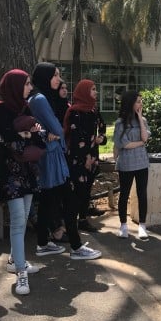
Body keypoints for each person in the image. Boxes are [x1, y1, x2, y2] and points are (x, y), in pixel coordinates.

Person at [30, 63, 101, 260]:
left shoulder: (40, 97)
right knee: (69, 200)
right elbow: (58, 129)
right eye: (55, 75)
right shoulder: (40, 99)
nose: (59, 79)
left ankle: (43, 243)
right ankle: (76, 247)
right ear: (45, 77)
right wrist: (51, 134)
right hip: (52, 157)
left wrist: (49, 133)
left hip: (50, 155)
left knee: (47, 202)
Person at [0, 69, 42, 295]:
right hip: (10, 173)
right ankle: (21, 272)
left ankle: (14, 260)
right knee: (18, 221)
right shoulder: (0, 109)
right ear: (15, 86)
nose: (30, 87)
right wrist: (21, 135)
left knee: (24, 217)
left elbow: (37, 136)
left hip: (28, 170)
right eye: (26, 84)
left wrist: (26, 135)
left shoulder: (25, 108)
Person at [63, 79, 107, 233]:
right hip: (78, 158)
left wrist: (101, 138)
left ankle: (82, 219)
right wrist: (86, 156)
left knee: (87, 189)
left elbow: (102, 127)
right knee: (78, 190)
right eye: (93, 89)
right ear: (84, 92)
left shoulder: (93, 110)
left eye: (95, 89)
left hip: (92, 157)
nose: (96, 92)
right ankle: (71, 223)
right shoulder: (74, 112)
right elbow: (75, 137)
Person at [113, 90, 151, 239]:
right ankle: (123, 226)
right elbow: (125, 144)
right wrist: (140, 143)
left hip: (142, 162)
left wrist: (140, 118)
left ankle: (142, 225)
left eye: (141, 101)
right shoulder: (120, 123)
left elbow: (145, 138)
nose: (141, 104)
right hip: (126, 163)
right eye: (138, 101)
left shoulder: (143, 120)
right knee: (124, 194)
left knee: (142, 194)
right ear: (130, 103)